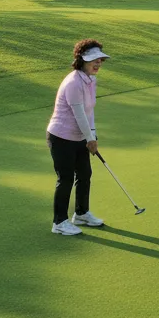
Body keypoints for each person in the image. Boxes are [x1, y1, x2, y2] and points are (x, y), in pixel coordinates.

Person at [46, 40, 109, 236]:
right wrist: (90, 139)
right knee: (65, 178)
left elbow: (89, 111)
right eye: (94, 60)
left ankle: (81, 213)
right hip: (61, 137)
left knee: (84, 174)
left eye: (100, 60)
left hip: (80, 135)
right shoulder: (73, 83)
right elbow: (79, 114)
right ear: (82, 60)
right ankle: (59, 222)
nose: (98, 63)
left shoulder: (90, 80)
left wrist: (92, 134)